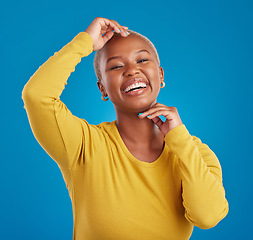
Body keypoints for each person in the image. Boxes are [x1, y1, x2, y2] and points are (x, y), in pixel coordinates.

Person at [22, 17, 229, 240]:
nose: (132, 71)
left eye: (142, 60)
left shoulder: (195, 153)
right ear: (103, 89)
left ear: (160, 76)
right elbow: (37, 96)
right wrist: (85, 43)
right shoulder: (84, 145)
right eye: (117, 66)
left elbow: (207, 217)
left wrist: (179, 138)